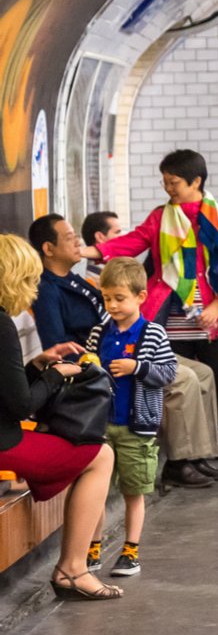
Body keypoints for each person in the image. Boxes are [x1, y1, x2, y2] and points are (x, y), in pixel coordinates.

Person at [90, 149, 218, 482]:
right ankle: (188, 459)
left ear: (196, 181)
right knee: (183, 387)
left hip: (210, 318)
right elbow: (132, 242)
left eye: (174, 182)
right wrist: (90, 251)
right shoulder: (159, 217)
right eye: (165, 181)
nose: (168, 188)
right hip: (169, 319)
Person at [0, 234, 120, 600]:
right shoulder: (2, 323)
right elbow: (20, 407)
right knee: (100, 455)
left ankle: (74, 568)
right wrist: (56, 374)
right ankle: (72, 569)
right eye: (31, 279)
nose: (35, 288)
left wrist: (36, 364)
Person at [83, 258, 177, 578]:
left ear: (140, 296)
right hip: (101, 426)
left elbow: (168, 373)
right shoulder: (98, 333)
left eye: (119, 298)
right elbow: (89, 369)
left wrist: (136, 368)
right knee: (94, 491)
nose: (112, 305)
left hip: (137, 427)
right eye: (106, 298)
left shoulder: (153, 334)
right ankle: (92, 548)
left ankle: (130, 551)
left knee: (133, 491)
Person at [29, 214, 102, 350]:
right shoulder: (46, 291)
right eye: (69, 238)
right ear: (49, 249)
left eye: (76, 236)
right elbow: (57, 348)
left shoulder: (70, 277)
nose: (78, 243)